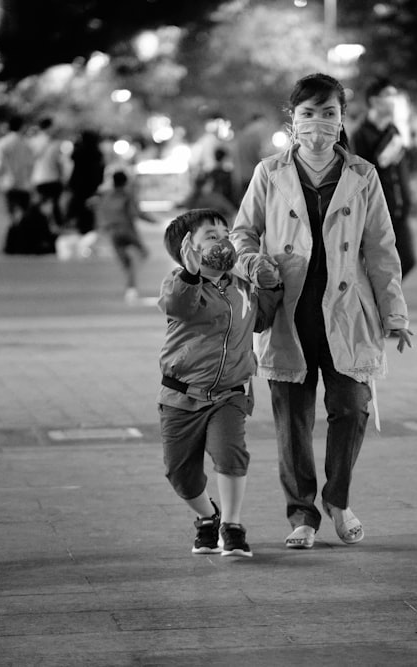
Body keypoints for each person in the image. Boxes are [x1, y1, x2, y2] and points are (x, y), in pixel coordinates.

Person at [231, 73, 412, 549]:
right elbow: (242, 232)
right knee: (292, 420)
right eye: (308, 113)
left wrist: (395, 314)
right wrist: (252, 262)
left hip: (347, 311)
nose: (318, 123)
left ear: (341, 118)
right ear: (292, 120)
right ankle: (302, 515)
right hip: (287, 313)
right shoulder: (269, 173)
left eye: (328, 113)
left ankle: (339, 499)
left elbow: (381, 251)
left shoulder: (362, 175)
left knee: (351, 408)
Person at [157, 208, 282, 558]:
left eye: (225, 233)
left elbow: (261, 320)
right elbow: (180, 307)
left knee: (230, 454)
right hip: (181, 395)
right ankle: (207, 518)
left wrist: (270, 284)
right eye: (211, 235)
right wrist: (192, 273)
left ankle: (232, 525)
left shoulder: (240, 286)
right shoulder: (177, 283)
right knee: (180, 474)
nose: (224, 239)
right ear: (188, 248)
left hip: (230, 393)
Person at [351, 78, 417, 277]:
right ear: (374, 101)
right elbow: (361, 174)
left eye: (394, 96)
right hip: (377, 211)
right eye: (388, 95)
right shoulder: (361, 135)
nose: (393, 101)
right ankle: (377, 303)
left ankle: (379, 302)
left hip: (399, 208)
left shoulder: (393, 130)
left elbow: (400, 169)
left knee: (407, 261)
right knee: (381, 265)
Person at [92, 170, 157, 303]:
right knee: (143, 254)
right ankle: (132, 283)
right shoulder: (127, 195)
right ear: (125, 182)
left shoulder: (106, 196)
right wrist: (156, 221)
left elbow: (100, 213)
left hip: (112, 232)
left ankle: (131, 286)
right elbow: (137, 213)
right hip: (126, 230)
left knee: (125, 262)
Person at [0, 116, 35, 226]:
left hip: (8, 182)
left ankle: (15, 232)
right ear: (21, 127)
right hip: (24, 183)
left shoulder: (2, 143)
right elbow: (31, 164)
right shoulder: (26, 143)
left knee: (12, 212)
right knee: (24, 213)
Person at [29, 117, 67, 231]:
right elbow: (59, 162)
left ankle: (44, 225)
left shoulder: (33, 141)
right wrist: (63, 176)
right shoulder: (54, 143)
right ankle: (53, 225)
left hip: (38, 177)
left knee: (43, 203)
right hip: (52, 177)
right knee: (53, 203)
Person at [66, 129, 106, 236]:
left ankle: (81, 225)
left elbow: (73, 158)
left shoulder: (81, 150)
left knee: (80, 205)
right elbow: (100, 168)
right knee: (88, 206)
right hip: (90, 184)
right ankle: (87, 226)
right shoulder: (96, 152)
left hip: (80, 183)